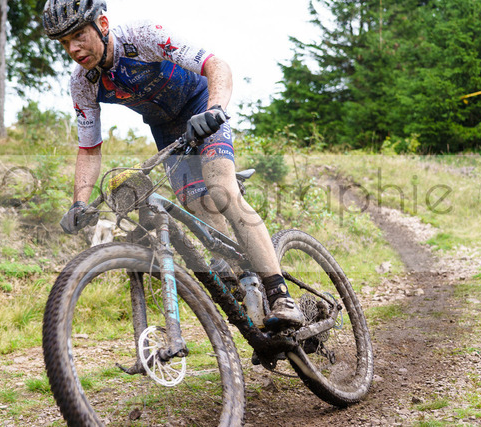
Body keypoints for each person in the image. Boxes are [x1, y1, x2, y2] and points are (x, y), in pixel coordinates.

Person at [42, 0, 304, 330]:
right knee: (200, 210)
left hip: (202, 107)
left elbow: (217, 65)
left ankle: (280, 295)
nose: (73, 49)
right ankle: (252, 296)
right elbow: (89, 148)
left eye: (79, 36)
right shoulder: (83, 83)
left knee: (220, 189)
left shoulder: (142, 36)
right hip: (168, 130)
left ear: (103, 24)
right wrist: (79, 202)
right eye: (65, 42)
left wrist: (214, 110)